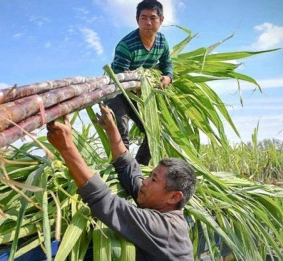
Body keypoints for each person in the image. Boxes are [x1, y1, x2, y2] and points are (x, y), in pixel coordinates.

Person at [47, 104, 196, 260]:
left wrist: (67, 147)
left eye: (153, 179)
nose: (145, 182)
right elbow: (128, 168)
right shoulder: (160, 206)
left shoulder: (164, 229)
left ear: (173, 197)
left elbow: (105, 202)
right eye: (150, 176)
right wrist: (111, 128)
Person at [105, 0, 173, 165]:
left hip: (138, 93)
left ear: (161, 20)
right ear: (137, 20)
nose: (148, 22)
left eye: (153, 18)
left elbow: (167, 64)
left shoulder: (162, 42)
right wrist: (141, 84)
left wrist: (168, 77)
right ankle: (122, 174)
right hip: (117, 92)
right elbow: (121, 76)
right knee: (121, 136)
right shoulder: (126, 45)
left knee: (154, 132)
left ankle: (139, 168)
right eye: (144, 18)